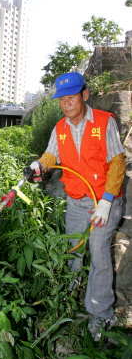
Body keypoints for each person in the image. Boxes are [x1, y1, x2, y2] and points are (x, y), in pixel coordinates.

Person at [26, 72, 126, 341]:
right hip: (77, 200)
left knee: (99, 252)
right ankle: (69, 301)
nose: (67, 103)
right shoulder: (60, 128)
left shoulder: (104, 123)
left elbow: (117, 163)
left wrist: (106, 201)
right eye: (62, 99)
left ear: (84, 95)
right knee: (72, 251)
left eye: (71, 97)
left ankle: (101, 314)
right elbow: (50, 156)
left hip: (105, 200)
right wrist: (39, 165)